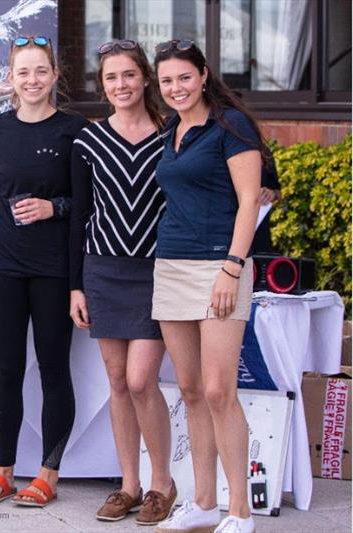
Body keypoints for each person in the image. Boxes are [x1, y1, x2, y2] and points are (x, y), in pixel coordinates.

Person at [152, 40, 265, 533]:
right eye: (166, 81)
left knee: (220, 391)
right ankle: (202, 503)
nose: (175, 88)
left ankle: (240, 510)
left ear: (202, 74)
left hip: (220, 267)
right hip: (171, 266)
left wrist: (232, 267)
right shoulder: (172, 131)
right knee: (191, 390)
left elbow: (249, 202)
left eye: (183, 77)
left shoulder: (230, 125)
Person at [0, 35, 86, 508]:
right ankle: (3, 471)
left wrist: (53, 207)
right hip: (3, 262)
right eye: (23, 72)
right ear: (10, 80)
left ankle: (47, 473)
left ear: (55, 75)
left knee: (55, 369)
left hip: (54, 267)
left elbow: (87, 203)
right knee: (7, 370)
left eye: (41, 71)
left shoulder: (75, 129)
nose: (33, 80)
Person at [69, 39, 176, 524]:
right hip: (103, 269)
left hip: (158, 271)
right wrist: (76, 285)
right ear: (103, 85)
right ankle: (129, 485)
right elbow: (80, 216)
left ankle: (162, 484)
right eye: (111, 77)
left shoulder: (174, 133)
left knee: (141, 380)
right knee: (116, 380)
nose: (121, 85)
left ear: (145, 78)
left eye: (129, 75)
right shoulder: (88, 141)